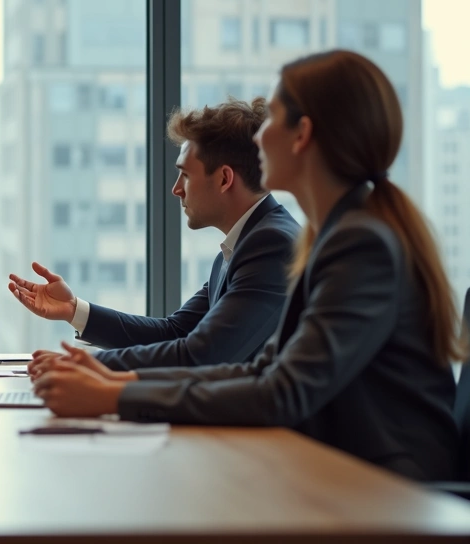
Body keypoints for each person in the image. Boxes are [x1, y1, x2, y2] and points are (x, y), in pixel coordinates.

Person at [30, 50, 463, 482]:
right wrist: (115, 384)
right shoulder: (331, 235)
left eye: (271, 118)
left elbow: (283, 391)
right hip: (349, 473)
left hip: (393, 491)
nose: (258, 139)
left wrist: (114, 394)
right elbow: (262, 370)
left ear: (302, 135)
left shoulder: (357, 243)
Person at [9, 98, 299, 370]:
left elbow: (202, 355)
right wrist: (74, 310)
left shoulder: (271, 246)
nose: (176, 189)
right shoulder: (243, 246)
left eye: (185, 174)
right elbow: (174, 333)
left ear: (224, 179)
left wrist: (87, 365)